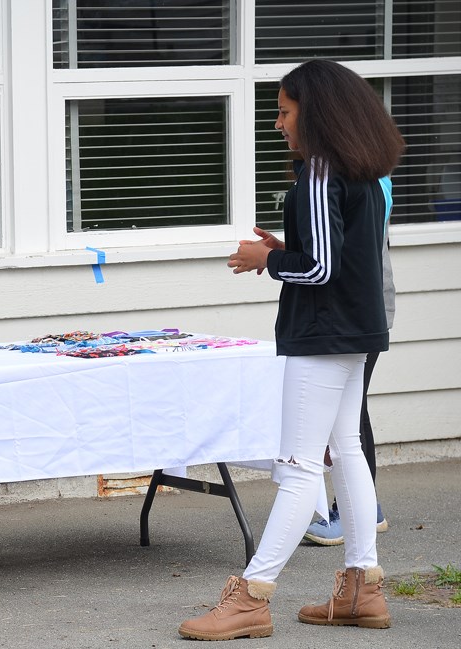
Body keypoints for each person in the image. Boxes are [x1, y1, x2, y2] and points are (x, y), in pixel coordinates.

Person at [178, 60, 405, 641]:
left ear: (317, 112)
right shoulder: (360, 170)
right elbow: (341, 254)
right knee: (345, 449)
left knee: (300, 465)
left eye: (284, 111)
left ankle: (253, 596)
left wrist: (270, 260)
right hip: (356, 332)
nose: (278, 124)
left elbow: (321, 267)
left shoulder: (320, 173)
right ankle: (363, 587)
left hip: (323, 335)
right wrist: (291, 246)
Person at [303, 225, 395, 545]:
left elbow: (340, 256)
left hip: (357, 318)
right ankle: (366, 508)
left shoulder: (360, 185)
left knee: (347, 421)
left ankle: (352, 510)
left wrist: (274, 258)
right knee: (355, 413)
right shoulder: (361, 182)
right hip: (358, 316)